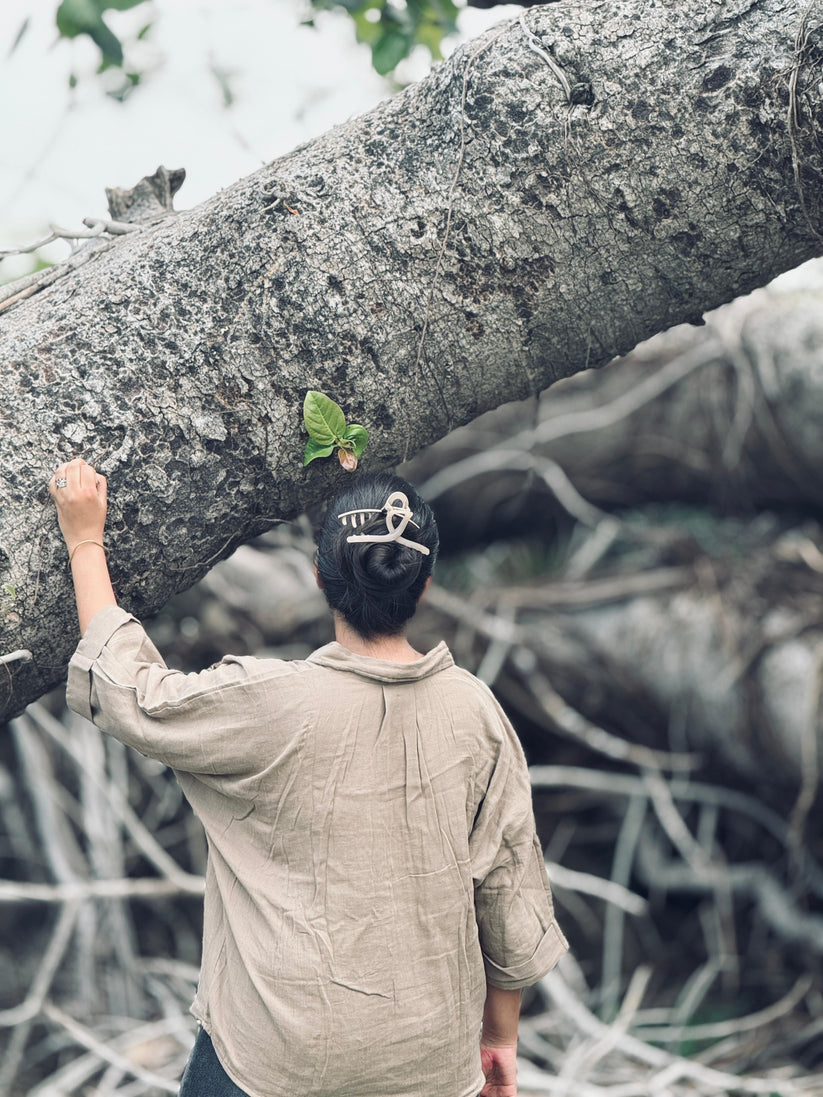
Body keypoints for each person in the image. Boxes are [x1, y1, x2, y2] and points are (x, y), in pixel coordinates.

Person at [50, 457, 568, 1097]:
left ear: (319, 576)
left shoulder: (268, 700)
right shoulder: (476, 712)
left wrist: (84, 541)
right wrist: (499, 1039)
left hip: (269, 1065)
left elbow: (129, 692)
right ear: (425, 584)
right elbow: (508, 889)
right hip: (429, 1067)